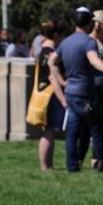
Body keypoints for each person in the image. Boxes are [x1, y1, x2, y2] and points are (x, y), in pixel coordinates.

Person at [51, 7, 103, 173]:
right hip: (86, 92)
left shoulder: (66, 42)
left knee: (73, 131)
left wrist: (62, 81)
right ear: (90, 22)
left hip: (71, 92)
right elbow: (94, 61)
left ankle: (72, 166)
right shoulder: (88, 41)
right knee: (96, 129)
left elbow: (52, 62)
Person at [36, 21, 65, 170]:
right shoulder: (49, 52)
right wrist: (62, 99)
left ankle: (49, 165)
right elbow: (52, 77)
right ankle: (44, 166)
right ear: (55, 35)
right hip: (50, 96)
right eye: (61, 36)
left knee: (49, 131)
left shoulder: (43, 50)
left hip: (45, 94)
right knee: (49, 131)